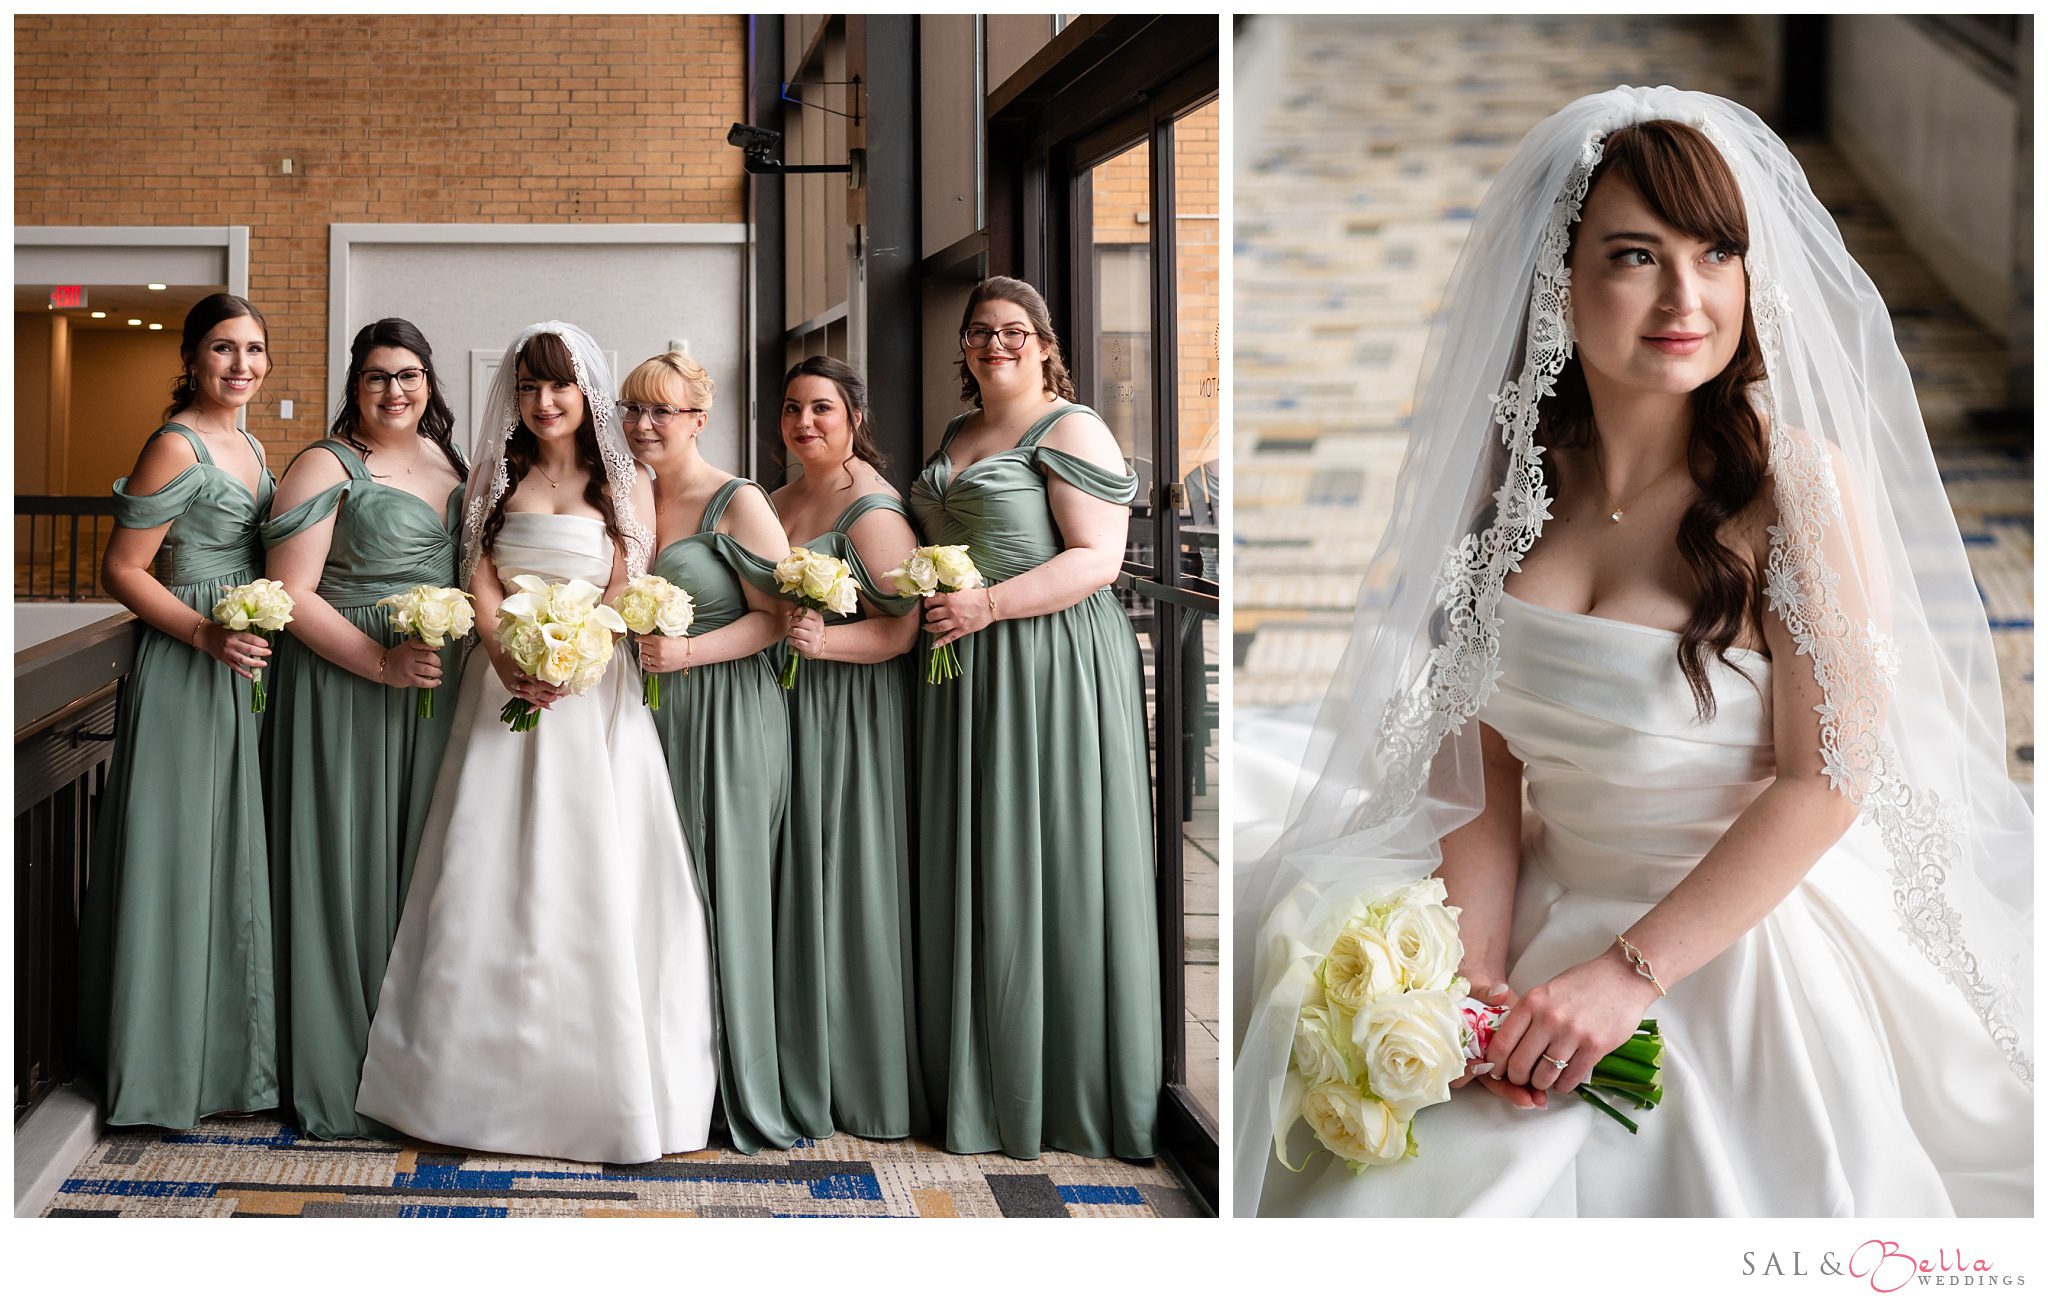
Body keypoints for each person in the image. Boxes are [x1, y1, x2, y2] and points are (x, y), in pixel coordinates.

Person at [1235, 88, 2033, 1217]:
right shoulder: (1511, 486)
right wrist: (1470, 982)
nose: (1685, 298)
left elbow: (1829, 777)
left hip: (1738, 930)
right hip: (1546, 898)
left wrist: (1623, 975)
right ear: (1556, 278)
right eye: (1633, 255)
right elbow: (1486, 760)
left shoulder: (1788, 488)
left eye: (1716, 254)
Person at [355, 323, 715, 1163]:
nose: (544, 403)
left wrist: (577, 654)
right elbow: (476, 575)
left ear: (585, 394)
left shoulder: (620, 480)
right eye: (527, 387)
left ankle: (601, 1088)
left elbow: (628, 581)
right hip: (502, 686)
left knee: (599, 871)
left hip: (593, 697)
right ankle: (469, 1084)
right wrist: (507, 651)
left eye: (558, 387)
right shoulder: (495, 476)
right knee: (485, 872)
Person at [910, 276, 1161, 1160]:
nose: (997, 345)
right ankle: (970, 1072)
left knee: (1037, 852)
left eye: (1015, 332)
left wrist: (988, 607)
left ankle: (1053, 1085)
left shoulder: (1073, 427)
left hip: (1047, 660)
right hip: (960, 666)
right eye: (981, 332)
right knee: (973, 855)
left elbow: (1100, 558)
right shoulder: (958, 433)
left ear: (1046, 344)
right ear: (965, 348)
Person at [75, 293, 280, 1127]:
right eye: (225, 349)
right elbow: (121, 570)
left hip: (250, 660)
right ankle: (160, 1070)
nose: (242, 366)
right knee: (180, 856)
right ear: (193, 357)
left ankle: (226, 1066)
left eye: (255, 350)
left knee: (231, 859)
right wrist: (204, 634)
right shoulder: (173, 445)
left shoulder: (253, 444)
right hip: (193, 663)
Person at [260, 318, 466, 1140]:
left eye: (410, 375)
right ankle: (338, 1062)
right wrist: (378, 665)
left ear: (429, 382)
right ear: (355, 383)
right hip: (345, 688)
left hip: (435, 690)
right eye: (378, 376)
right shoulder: (324, 463)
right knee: (347, 864)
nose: (395, 391)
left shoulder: (455, 465)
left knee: (427, 869)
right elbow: (290, 591)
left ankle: (416, 1065)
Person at [624, 349, 800, 1153]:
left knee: (720, 886)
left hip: (726, 712)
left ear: (699, 419)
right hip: (641, 716)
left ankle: (737, 1088)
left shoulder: (738, 501)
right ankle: (665, 1080)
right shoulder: (620, 496)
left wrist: (686, 654)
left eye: (662, 411)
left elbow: (777, 620)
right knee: (653, 894)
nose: (644, 425)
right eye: (632, 409)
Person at [769, 356, 926, 1140]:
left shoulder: (871, 508)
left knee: (840, 879)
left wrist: (823, 646)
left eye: (821, 409)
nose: (805, 423)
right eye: (793, 409)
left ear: (854, 417)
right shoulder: (780, 497)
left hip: (847, 712)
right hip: (786, 705)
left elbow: (902, 629)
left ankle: (855, 1077)